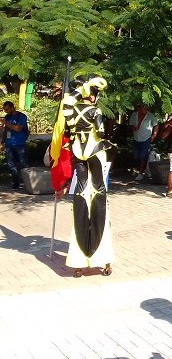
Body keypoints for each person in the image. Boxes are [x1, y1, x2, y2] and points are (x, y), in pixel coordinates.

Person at [62, 77, 114, 278]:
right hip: (95, 152)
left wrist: (81, 90)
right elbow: (100, 132)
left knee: (81, 192)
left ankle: (79, 259)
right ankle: (100, 253)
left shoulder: (71, 109)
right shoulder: (96, 111)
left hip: (77, 152)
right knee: (99, 193)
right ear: (94, 95)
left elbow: (67, 106)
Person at [1, 100, 29, 190]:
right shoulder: (7, 117)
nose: (6, 111)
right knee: (11, 164)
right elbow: (5, 130)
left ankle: (27, 181)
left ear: (12, 107)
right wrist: (2, 142)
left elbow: (18, 129)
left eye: (7, 109)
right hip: (9, 144)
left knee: (22, 162)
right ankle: (15, 182)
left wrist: (6, 123)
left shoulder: (21, 117)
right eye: (5, 110)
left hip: (19, 143)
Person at [128, 103, 158, 180]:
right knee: (135, 155)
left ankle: (141, 173)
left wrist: (154, 135)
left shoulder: (151, 116)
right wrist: (133, 127)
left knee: (143, 156)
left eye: (143, 107)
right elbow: (130, 124)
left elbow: (156, 125)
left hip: (146, 138)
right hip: (136, 137)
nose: (141, 109)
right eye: (140, 107)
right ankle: (142, 170)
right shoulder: (134, 114)